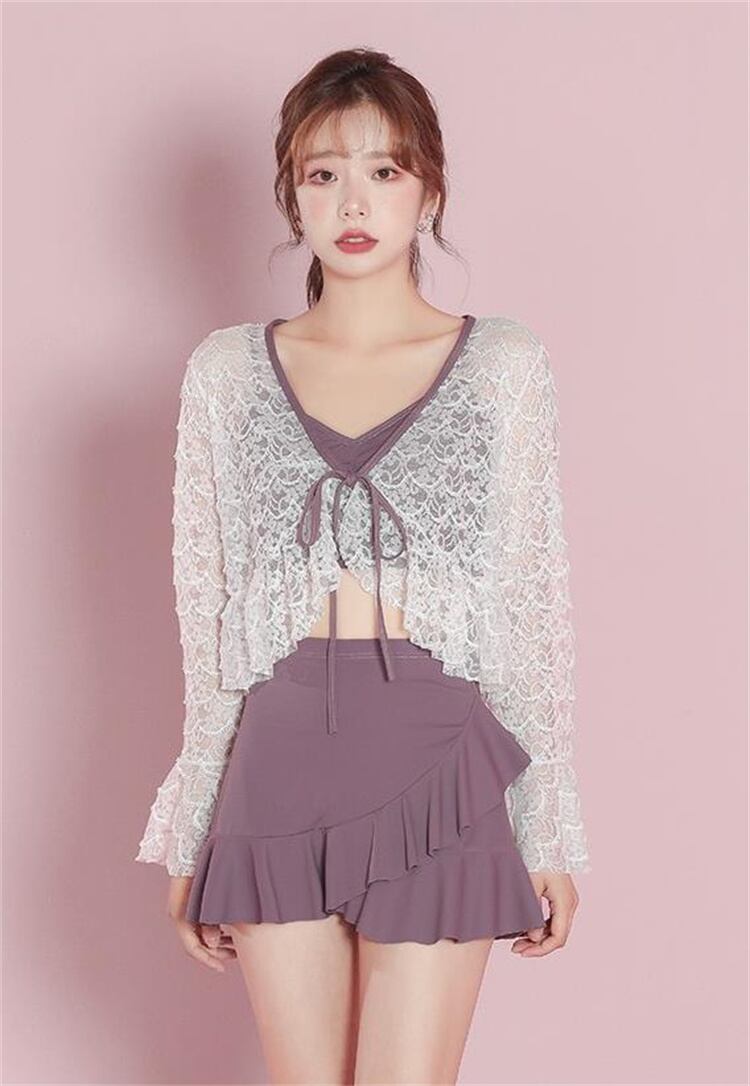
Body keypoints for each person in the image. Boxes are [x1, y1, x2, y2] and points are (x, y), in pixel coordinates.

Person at [135, 47, 591, 1085]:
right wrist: (191, 826)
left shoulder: (502, 366)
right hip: (276, 765)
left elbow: (530, 604)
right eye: (323, 172)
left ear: (429, 191)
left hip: (442, 764)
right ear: (291, 193)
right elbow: (208, 617)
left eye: (385, 170)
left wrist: (550, 829)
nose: (354, 201)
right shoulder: (226, 375)